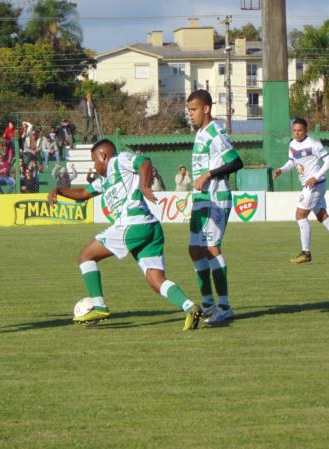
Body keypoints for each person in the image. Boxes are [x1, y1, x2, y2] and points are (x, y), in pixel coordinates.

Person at [47, 139, 202, 330]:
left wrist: (144, 187)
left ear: (103, 156)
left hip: (132, 223)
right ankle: (189, 307)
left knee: (86, 256)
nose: (93, 166)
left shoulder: (118, 161)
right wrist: (59, 190)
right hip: (150, 228)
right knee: (156, 281)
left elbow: (144, 162)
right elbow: (83, 193)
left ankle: (100, 306)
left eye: (94, 160)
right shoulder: (104, 180)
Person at [185, 89, 244, 325]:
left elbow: (236, 162)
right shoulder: (201, 133)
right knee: (194, 250)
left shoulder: (215, 133)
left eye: (194, 109)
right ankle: (208, 304)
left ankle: (225, 306)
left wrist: (208, 174)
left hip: (216, 198)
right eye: (188, 110)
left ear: (206, 108)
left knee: (211, 248)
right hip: (201, 199)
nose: (190, 114)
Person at [272, 118, 329, 264]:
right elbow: (292, 162)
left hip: (315, 185)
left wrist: (315, 177)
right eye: (294, 131)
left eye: (300, 130)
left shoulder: (314, 144)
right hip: (311, 185)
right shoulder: (292, 144)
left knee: (300, 215)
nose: (297, 133)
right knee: (322, 215)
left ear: (306, 131)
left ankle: (306, 253)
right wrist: (282, 170)